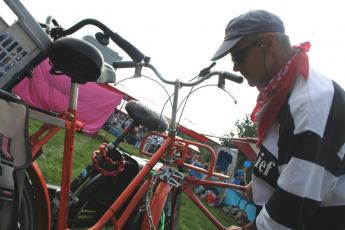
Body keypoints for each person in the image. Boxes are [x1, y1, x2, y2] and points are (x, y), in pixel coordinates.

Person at [211, 10, 345, 230]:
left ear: (269, 43)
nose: (234, 66)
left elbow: (293, 207)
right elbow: (291, 162)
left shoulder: (310, 103)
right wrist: (261, 184)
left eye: (238, 56)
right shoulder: (284, 92)